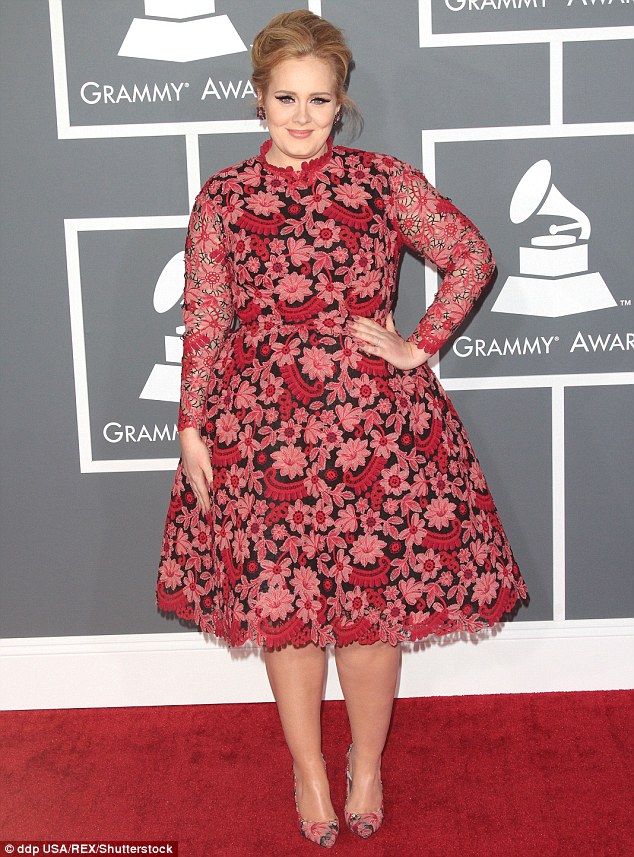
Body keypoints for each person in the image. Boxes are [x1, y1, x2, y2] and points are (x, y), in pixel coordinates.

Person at [156, 9, 529, 848]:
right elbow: (206, 318)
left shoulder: (381, 182)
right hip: (260, 431)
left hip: (374, 429)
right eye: (286, 97)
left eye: (319, 100)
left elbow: (471, 255)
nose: (302, 116)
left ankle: (365, 764)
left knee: (369, 611)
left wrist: (417, 344)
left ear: (340, 101)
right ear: (259, 97)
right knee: (284, 611)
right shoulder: (224, 196)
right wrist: (191, 425)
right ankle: (309, 771)